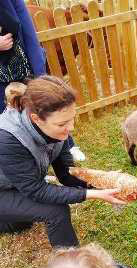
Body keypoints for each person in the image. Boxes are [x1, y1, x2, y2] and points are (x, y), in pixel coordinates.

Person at [0, 75, 125, 249]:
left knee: (22, 222)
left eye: (72, 118)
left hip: (20, 183)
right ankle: (70, 266)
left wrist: (104, 184)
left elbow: (67, 173)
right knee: (55, 210)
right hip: (3, 190)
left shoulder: (56, 125)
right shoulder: (7, 138)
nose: (71, 128)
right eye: (62, 124)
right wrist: (90, 195)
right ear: (36, 119)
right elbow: (37, 190)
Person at [0, 0, 86, 161]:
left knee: (47, 104)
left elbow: (27, 30)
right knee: (8, 119)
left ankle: (67, 146)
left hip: (22, 64)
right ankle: (28, 159)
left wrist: (38, 71)